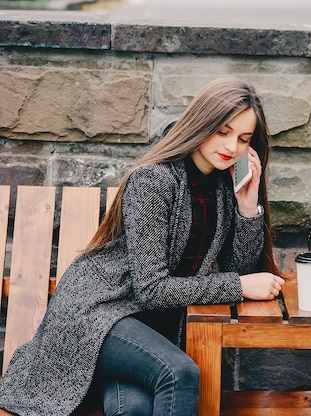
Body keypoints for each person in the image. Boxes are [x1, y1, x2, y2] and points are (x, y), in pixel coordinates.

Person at [0, 78, 285, 416]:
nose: (232, 147)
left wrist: (247, 207)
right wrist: (237, 286)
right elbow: (151, 289)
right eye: (223, 131)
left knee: (132, 408)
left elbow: (240, 266)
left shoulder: (224, 186)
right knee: (179, 374)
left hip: (148, 330)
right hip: (98, 315)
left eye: (243, 138)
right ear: (201, 123)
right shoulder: (154, 180)